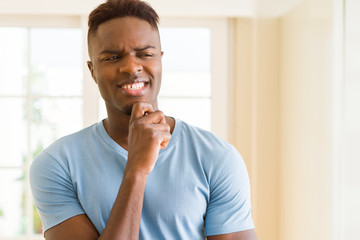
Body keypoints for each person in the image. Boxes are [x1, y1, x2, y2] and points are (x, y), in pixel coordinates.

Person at [30, 0, 257, 239]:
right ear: (92, 71)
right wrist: (136, 170)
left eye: (145, 54)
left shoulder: (217, 157)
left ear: (160, 61)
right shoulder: (56, 164)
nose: (131, 67)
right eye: (112, 58)